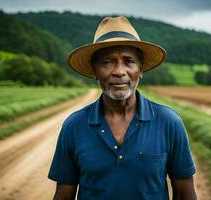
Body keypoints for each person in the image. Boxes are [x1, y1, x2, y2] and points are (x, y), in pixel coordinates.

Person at [48, 16, 197, 200]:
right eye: (107, 62)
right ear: (95, 71)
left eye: (128, 61)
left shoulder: (169, 122)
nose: (119, 71)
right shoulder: (73, 126)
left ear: (140, 70)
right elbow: (63, 197)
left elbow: (185, 195)